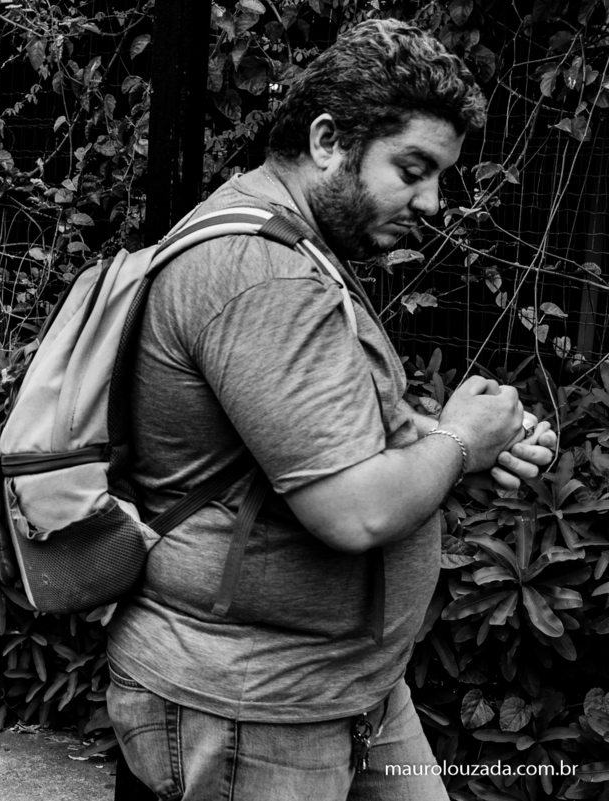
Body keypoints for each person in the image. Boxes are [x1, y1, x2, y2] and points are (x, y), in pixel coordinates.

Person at [107, 19, 558, 801]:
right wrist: (456, 437)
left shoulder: (291, 247)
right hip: (250, 703)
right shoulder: (264, 275)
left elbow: (307, 444)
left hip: (343, 686)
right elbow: (349, 510)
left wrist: (462, 450)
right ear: (326, 139)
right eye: (413, 169)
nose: (432, 201)